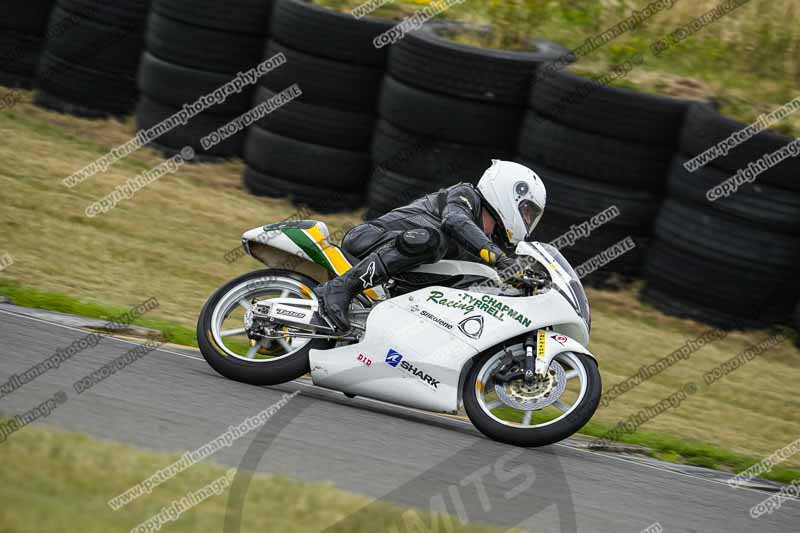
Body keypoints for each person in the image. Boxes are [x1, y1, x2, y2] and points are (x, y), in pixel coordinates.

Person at [314, 160, 547, 332]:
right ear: (510, 193)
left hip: (400, 273)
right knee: (431, 240)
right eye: (527, 212)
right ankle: (341, 287)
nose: (527, 221)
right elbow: (456, 222)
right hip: (369, 239)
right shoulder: (466, 196)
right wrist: (499, 259)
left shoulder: (488, 244)